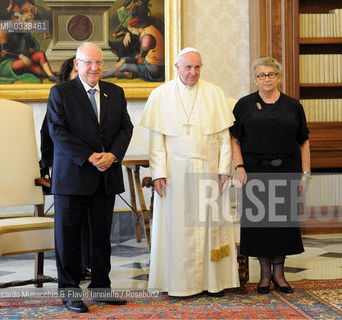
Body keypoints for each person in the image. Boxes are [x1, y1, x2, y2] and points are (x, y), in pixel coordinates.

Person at [140, 47, 239, 297]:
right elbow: (156, 141)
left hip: (208, 172)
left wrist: (223, 170)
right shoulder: (160, 95)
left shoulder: (214, 93)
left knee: (210, 226)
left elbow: (223, 138)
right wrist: (159, 172)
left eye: (197, 67)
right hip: (175, 175)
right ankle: (178, 284)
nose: (193, 72)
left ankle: (213, 282)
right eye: (188, 67)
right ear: (176, 67)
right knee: (178, 229)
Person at [46, 42, 133, 313]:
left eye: (98, 63)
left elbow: (125, 128)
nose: (94, 68)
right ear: (77, 64)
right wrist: (90, 156)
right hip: (72, 177)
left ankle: (101, 288)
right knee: (68, 238)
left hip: (105, 176)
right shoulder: (61, 92)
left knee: (100, 238)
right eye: (88, 63)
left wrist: (113, 155)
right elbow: (57, 131)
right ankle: (70, 293)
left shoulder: (114, 92)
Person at [230, 57, 311, 294]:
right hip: (254, 171)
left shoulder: (293, 106)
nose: (267, 79)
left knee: (283, 224)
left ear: (279, 77)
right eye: (262, 75)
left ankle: (279, 274)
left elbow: (304, 141)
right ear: (255, 79)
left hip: (287, 170)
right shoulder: (244, 105)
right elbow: (234, 139)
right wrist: (239, 167)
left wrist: (306, 175)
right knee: (260, 224)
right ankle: (265, 275)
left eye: (272, 74)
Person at [40, 57, 91, 281]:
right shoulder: (60, 97)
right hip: (66, 170)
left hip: (91, 170)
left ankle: (86, 265)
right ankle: (71, 273)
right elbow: (48, 136)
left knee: (89, 225)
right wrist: (49, 165)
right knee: (69, 227)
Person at [103, 17, 164, 81]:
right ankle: (130, 74)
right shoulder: (148, 29)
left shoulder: (147, 37)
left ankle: (103, 76)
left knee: (124, 65)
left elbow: (140, 59)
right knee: (122, 59)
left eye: (132, 30)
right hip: (149, 63)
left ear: (136, 26)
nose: (132, 33)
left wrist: (124, 61)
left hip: (154, 68)